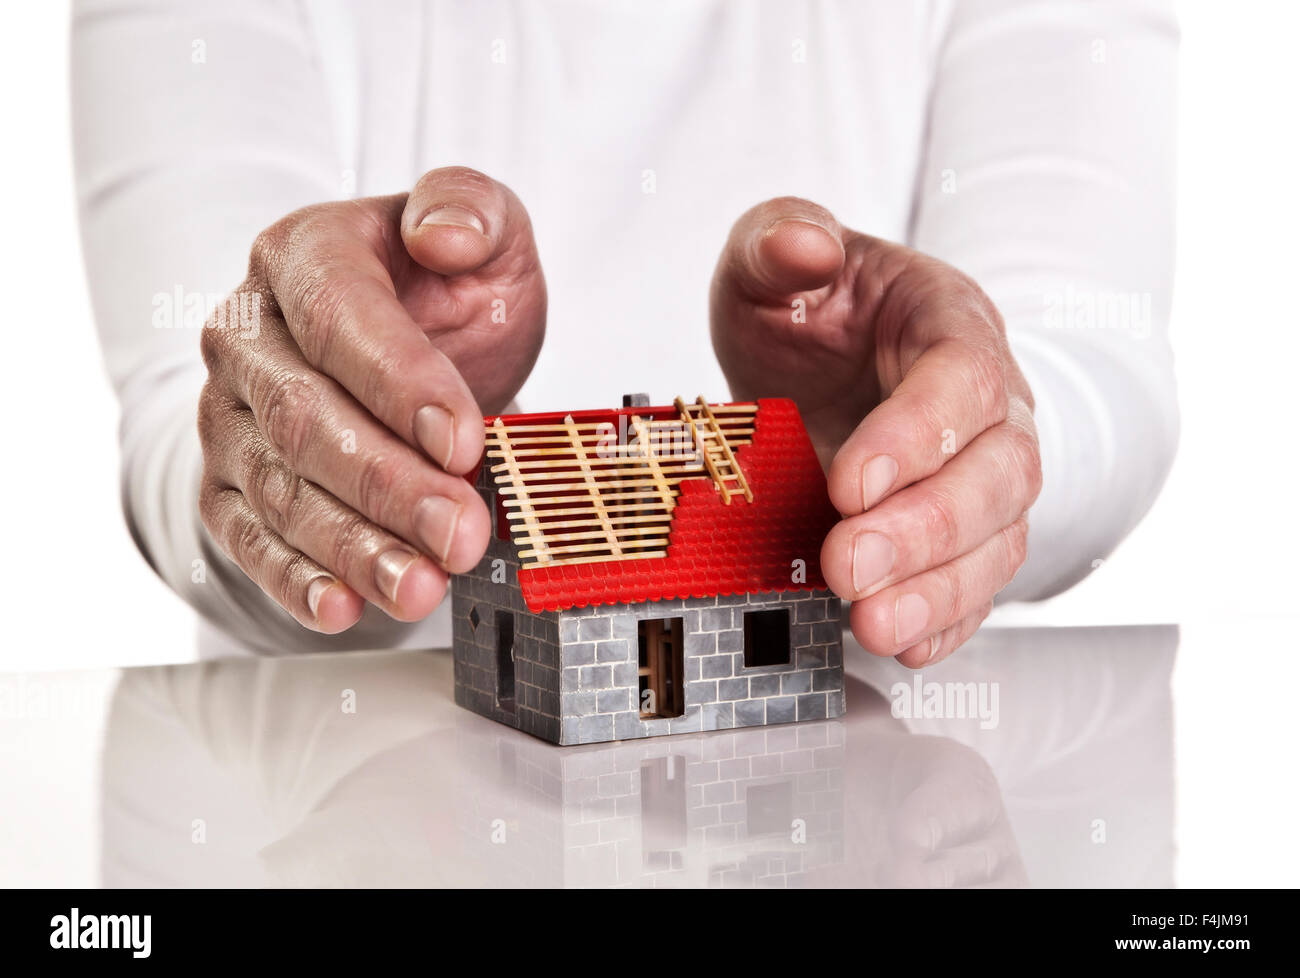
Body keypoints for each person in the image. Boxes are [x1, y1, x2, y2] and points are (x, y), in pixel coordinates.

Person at [72, 0, 1178, 667]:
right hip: (335, 824)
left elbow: (1089, 354)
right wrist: (326, 441)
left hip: (910, 819)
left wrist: (949, 444)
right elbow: (190, 418)